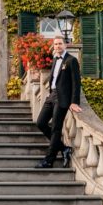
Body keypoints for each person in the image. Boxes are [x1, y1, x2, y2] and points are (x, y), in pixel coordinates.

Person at [35, 36, 82, 168]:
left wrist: (74, 102)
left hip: (63, 99)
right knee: (40, 122)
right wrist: (50, 94)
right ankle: (63, 148)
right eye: (55, 44)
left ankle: (49, 160)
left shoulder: (71, 61)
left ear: (65, 45)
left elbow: (76, 83)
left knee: (56, 128)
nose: (57, 46)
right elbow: (54, 80)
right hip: (52, 96)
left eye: (60, 44)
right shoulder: (55, 59)